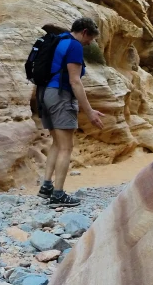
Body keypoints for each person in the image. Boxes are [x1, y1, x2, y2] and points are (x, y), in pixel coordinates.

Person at [38, 17, 104, 207]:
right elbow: (75, 81)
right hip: (60, 95)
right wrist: (90, 112)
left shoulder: (59, 40)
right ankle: (58, 195)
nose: (90, 42)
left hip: (45, 94)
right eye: (90, 38)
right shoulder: (74, 46)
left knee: (57, 144)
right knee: (66, 147)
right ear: (84, 32)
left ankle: (46, 186)